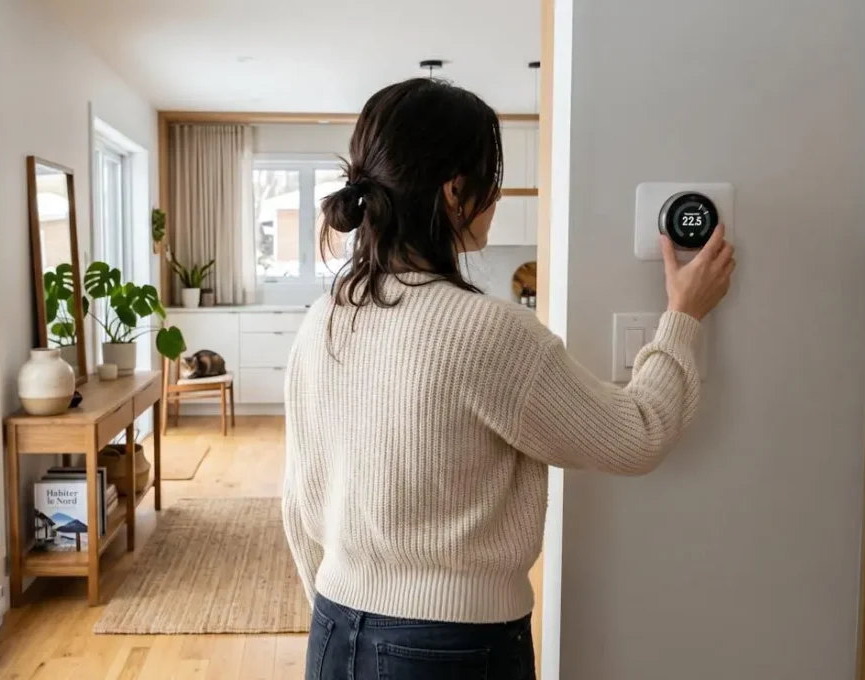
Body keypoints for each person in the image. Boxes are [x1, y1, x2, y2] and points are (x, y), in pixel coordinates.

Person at [282, 78, 735, 680]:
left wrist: (347, 614)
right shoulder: (485, 331)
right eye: (490, 181)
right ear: (455, 191)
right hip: (448, 648)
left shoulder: (326, 316)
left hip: (334, 627)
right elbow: (638, 436)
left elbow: (297, 497)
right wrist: (683, 317)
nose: (494, 198)